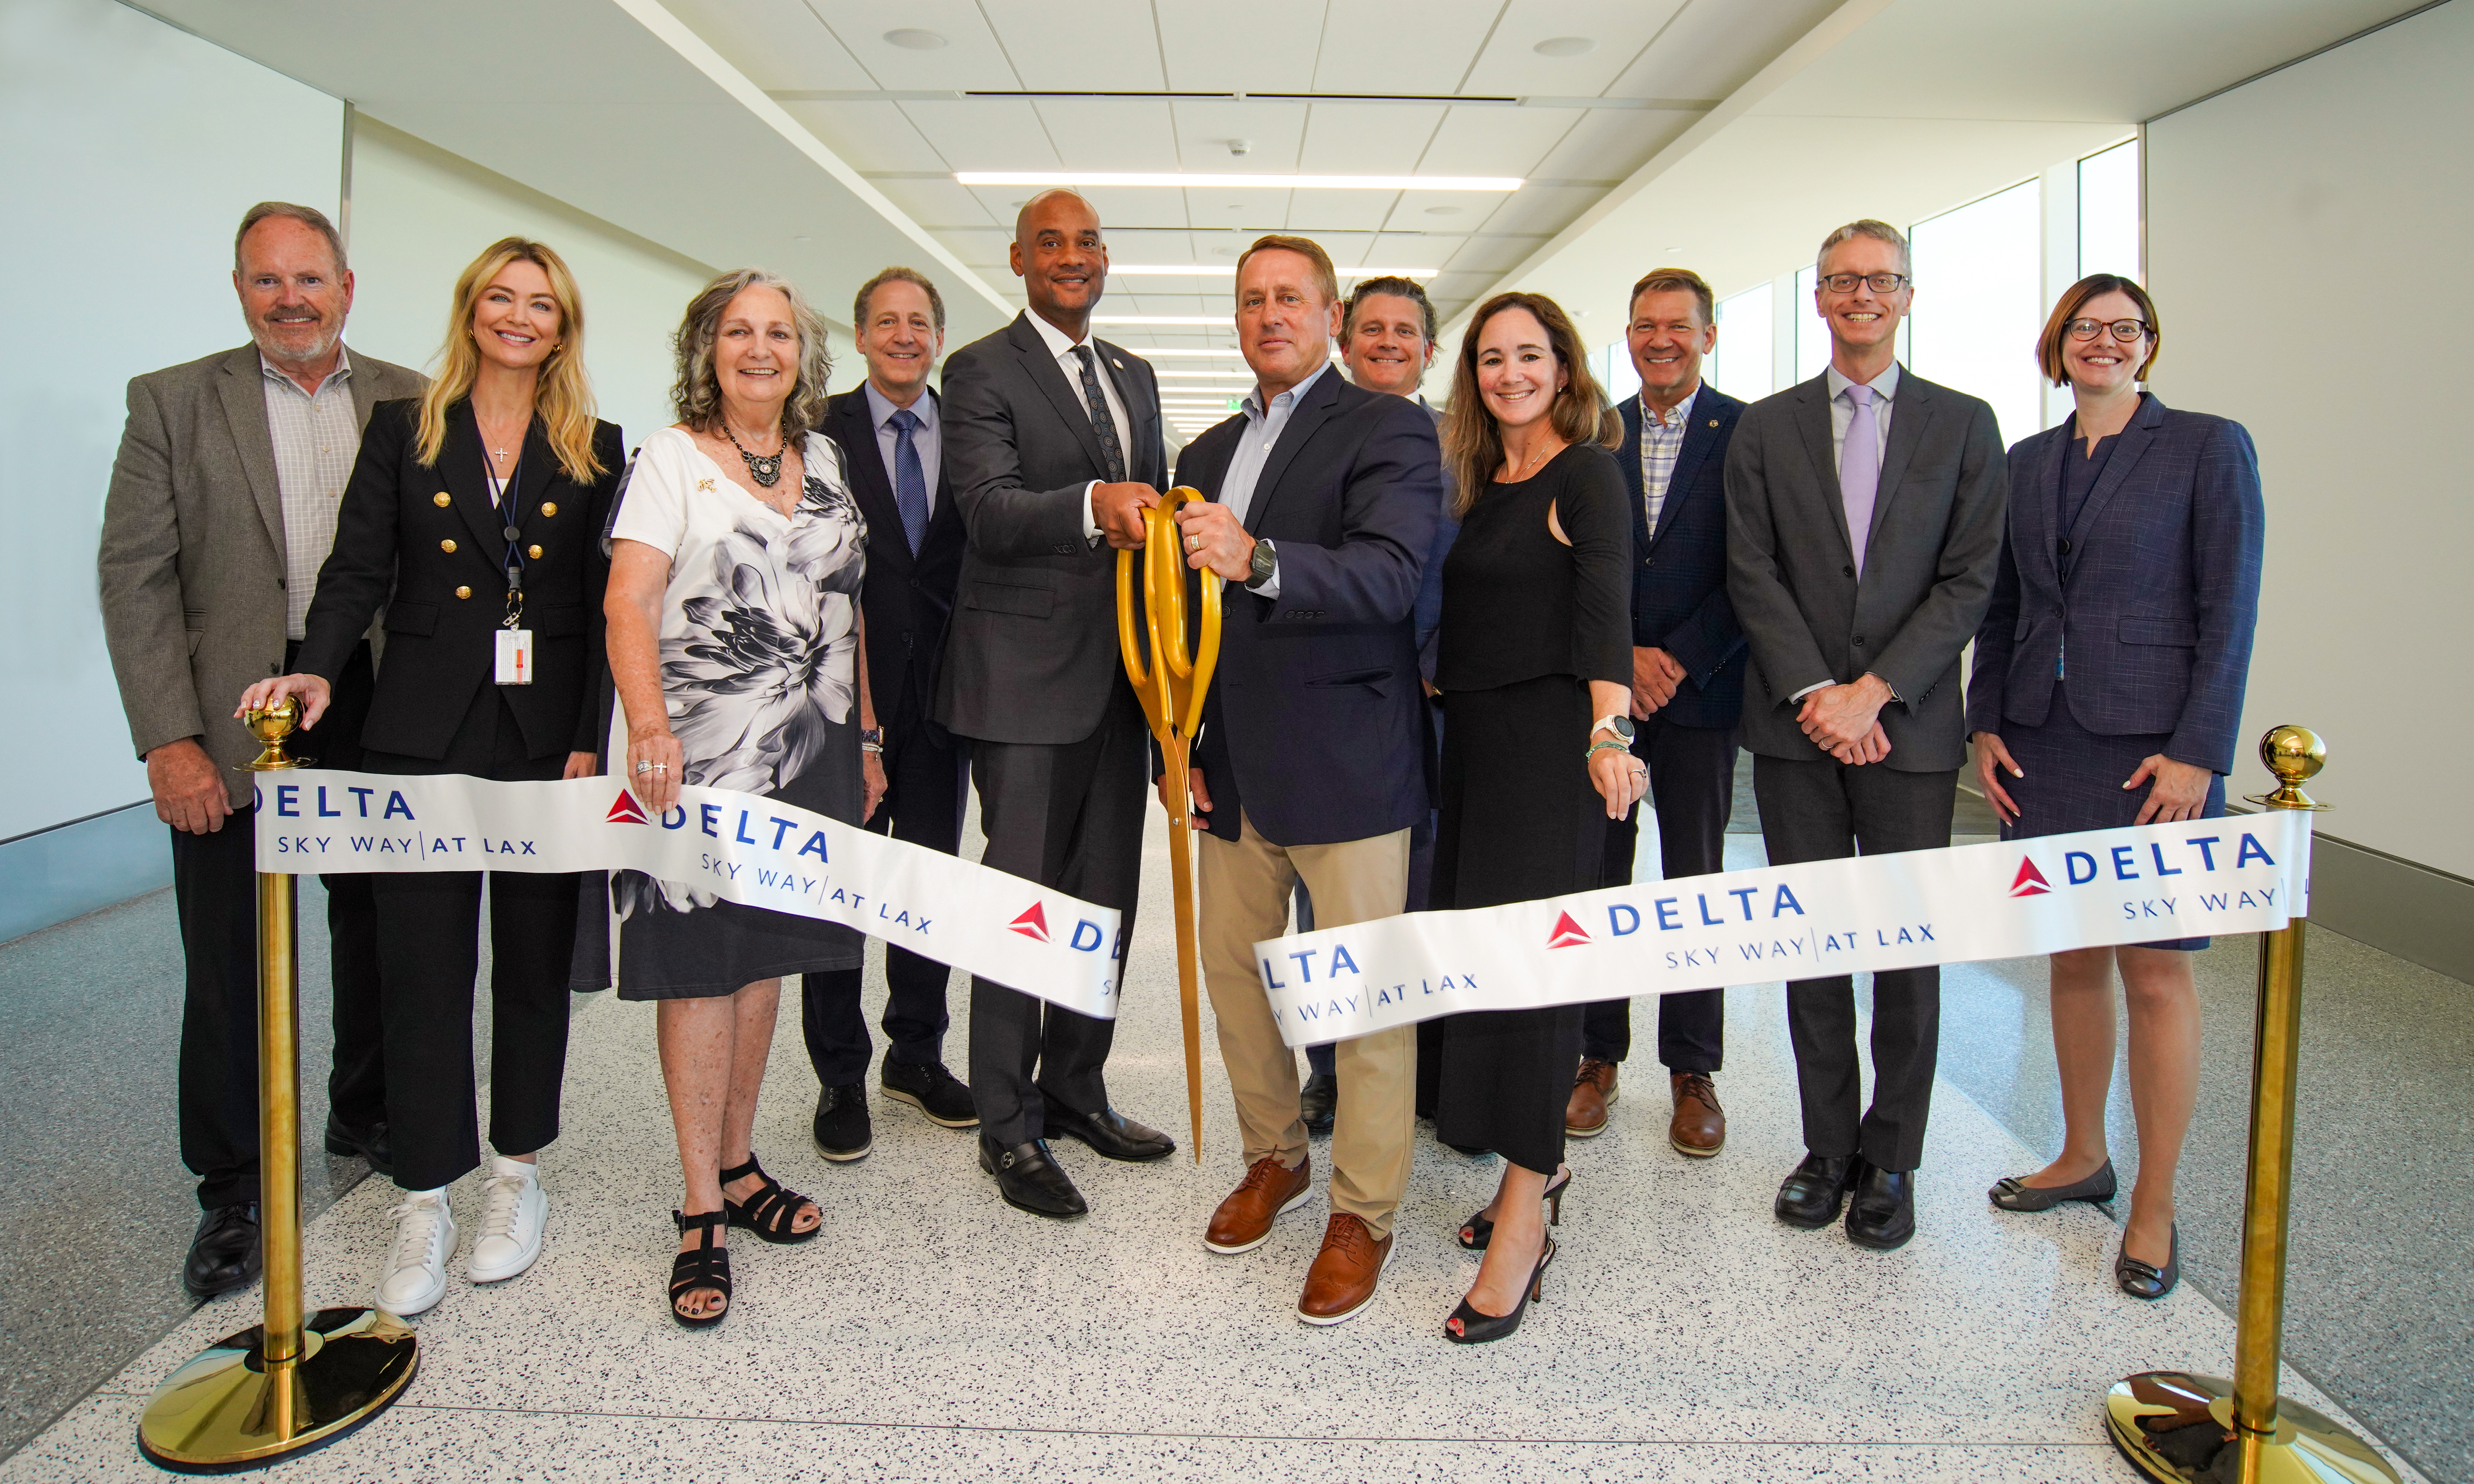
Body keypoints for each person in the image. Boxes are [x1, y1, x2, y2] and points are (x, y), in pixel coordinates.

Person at [238, 237, 622, 1315]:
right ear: (470, 311)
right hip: (418, 733)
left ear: (561, 326)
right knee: (419, 965)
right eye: (499, 298)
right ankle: (424, 1192)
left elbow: (602, 608)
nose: (517, 317)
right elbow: (357, 566)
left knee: (535, 964)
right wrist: (311, 675)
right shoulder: (406, 431)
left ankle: (515, 1177)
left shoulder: (595, 444)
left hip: (546, 740)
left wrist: (592, 733)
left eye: (538, 304)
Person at [98, 202, 423, 1299]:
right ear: (240, 289)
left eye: (310, 279)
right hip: (237, 710)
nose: (292, 300)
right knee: (230, 952)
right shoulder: (174, 403)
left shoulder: (413, 401)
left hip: (373, 698)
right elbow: (133, 580)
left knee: (379, 922)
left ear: (347, 284)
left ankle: (365, 1110)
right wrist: (169, 742)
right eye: (267, 281)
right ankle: (232, 1188)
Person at [1971, 276, 2263, 1300]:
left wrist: (2200, 750)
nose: (2104, 343)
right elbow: (2001, 606)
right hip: (2042, 745)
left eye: (2123, 330)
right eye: (2085, 329)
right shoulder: (2027, 460)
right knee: (2071, 959)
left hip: (2154, 756)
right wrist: (1985, 721)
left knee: (2154, 974)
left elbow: (2230, 606)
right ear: (2056, 345)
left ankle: (2154, 1202)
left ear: (2148, 345)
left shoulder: (2204, 446)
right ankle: (2080, 1154)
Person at [605, 268, 885, 1327]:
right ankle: (696, 1211)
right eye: (739, 332)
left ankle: (737, 1164)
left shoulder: (825, 459)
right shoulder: (671, 460)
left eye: (779, 334)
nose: (759, 349)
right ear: (707, 348)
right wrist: (647, 728)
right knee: (699, 969)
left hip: (810, 751)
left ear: (803, 357)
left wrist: (863, 734)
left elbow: (848, 601)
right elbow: (626, 598)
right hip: (701, 752)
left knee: (765, 959)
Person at [1169, 236, 1440, 1325]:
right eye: (1250, 300)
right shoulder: (1209, 443)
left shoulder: (1387, 425)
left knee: (1365, 1000)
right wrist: (1174, 742)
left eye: (1289, 298)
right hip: (1225, 761)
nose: (1268, 314)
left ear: (1330, 315)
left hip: (1349, 762)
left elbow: (1389, 575)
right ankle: (1274, 1156)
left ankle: (1361, 1212)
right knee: (1237, 978)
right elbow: (1175, 617)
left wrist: (1262, 560)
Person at [1724, 220, 2005, 1252]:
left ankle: (1893, 1156)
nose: (1860, 296)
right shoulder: (1765, 429)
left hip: (1910, 732)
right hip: (1798, 732)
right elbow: (1749, 569)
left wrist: (1873, 693)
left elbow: (1968, 578)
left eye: (1878, 280)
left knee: (1903, 952)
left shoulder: (1964, 425)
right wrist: (1817, 693)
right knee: (1811, 945)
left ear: (1907, 295)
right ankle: (1826, 1148)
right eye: (1842, 281)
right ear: (1818, 297)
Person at [936, 189, 1173, 1219]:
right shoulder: (982, 369)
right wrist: (1090, 507)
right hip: (1024, 688)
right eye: (1050, 243)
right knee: (1022, 906)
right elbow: (986, 512)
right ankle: (1008, 1123)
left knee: (1104, 901)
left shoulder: (1134, 374)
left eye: (1085, 243)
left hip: (1121, 685)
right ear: (1020, 261)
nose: (1070, 258)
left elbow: (1153, 527)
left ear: (1105, 259)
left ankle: (1078, 1087)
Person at [1430, 292, 1643, 1343]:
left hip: (1550, 758)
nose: (1509, 373)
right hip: (1471, 757)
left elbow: (1608, 609)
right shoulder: (1482, 481)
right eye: (1490, 359)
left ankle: (1525, 1220)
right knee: (1485, 978)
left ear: (1564, 368)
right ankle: (1527, 1174)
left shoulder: (1588, 473)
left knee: (1533, 990)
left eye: (1530, 355)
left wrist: (1612, 733)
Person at [1570, 269, 1749, 1155]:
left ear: (1708, 336)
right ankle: (1596, 1055)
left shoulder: (1747, 432)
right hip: (1607, 695)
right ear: (1629, 336)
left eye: (1678, 326)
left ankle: (1693, 1069)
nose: (1660, 340)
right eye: (1644, 326)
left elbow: (1757, 564)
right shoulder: (1599, 434)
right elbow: (1585, 561)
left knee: (1695, 884)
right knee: (1602, 874)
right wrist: (1623, 660)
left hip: (1703, 691)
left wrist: (1675, 659)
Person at [800, 267, 975, 1161]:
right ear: (860, 336)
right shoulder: (815, 431)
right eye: (886, 322)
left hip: (947, 698)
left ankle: (916, 1052)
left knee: (927, 882)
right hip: (836, 699)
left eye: (920, 323)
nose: (904, 336)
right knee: (837, 883)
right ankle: (839, 1073)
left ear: (937, 339)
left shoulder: (973, 431)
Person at [1290, 275, 1447, 1138]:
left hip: (1446, 700)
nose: (1389, 342)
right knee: (1329, 910)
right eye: (1374, 329)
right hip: (1342, 712)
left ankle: (1425, 1066)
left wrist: (1436, 661)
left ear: (1431, 349)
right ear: (1346, 339)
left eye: (1408, 332)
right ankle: (1330, 1069)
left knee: (1430, 895)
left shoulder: (1473, 445)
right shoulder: (1313, 440)